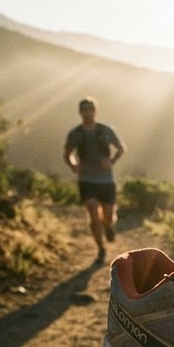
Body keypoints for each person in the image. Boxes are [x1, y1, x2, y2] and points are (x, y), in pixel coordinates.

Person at [63, 97, 126, 264]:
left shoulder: (106, 130)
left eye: (91, 109)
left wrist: (111, 161)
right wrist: (74, 166)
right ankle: (101, 248)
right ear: (80, 112)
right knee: (92, 211)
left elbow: (121, 149)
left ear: (95, 111)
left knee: (108, 214)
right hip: (86, 179)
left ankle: (109, 225)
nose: (88, 112)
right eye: (84, 109)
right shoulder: (75, 133)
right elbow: (67, 154)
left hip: (106, 180)